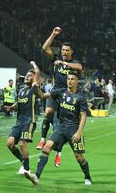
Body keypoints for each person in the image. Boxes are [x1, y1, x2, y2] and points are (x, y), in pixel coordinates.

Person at [24, 72, 92, 186]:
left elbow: (84, 116)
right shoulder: (60, 92)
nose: (69, 81)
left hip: (73, 129)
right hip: (61, 128)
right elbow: (42, 96)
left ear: (76, 81)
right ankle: (36, 177)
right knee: (46, 148)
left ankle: (87, 177)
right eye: (68, 79)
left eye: (72, 79)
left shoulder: (80, 98)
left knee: (79, 157)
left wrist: (79, 132)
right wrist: (36, 88)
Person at [36, 26, 83, 167]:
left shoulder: (73, 63)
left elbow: (80, 67)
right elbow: (45, 48)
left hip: (67, 96)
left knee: (59, 126)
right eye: (63, 50)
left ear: (71, 52)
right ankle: (43, 138)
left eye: (67, 50)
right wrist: (53, 34)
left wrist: (64, 63)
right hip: (55, 92)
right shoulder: (55, 58)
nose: (64, 52)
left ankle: (58, 154)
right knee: (48, 112)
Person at [5, 61, 41, 174]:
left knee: (22, 144)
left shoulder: (34, 89)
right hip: (19, 122)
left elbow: (38, 72)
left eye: (30, 75)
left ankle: (26, 169)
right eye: (27, 75)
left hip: (29, 121)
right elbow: (18, 104)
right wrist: (11, 108)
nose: (27, 76)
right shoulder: (20, 90)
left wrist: (34, 65)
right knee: (10, 143)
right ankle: (23, 161)